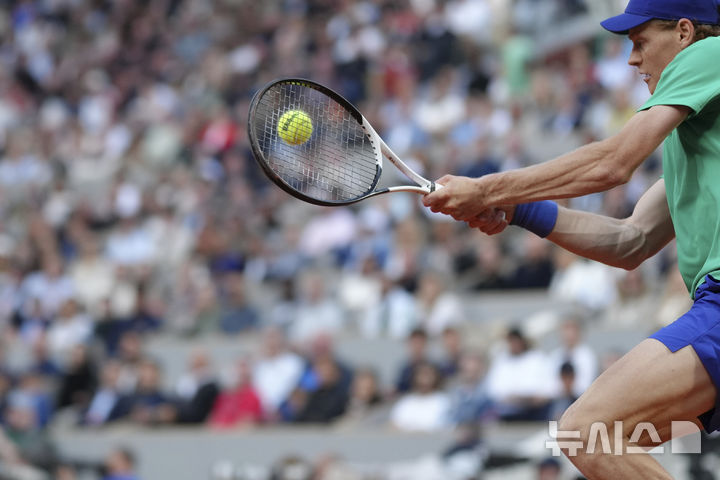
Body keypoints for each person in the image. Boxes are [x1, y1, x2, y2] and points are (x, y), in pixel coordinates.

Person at [423, 0, 720, 477]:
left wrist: (487, 189)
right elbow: (631, 240)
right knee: (609, 437)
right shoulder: (698, 146)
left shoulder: (711, 53)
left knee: (586, 431)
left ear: (685, 33)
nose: (632, 59)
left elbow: (613, 164)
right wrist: (519, 210)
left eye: (640, 42)